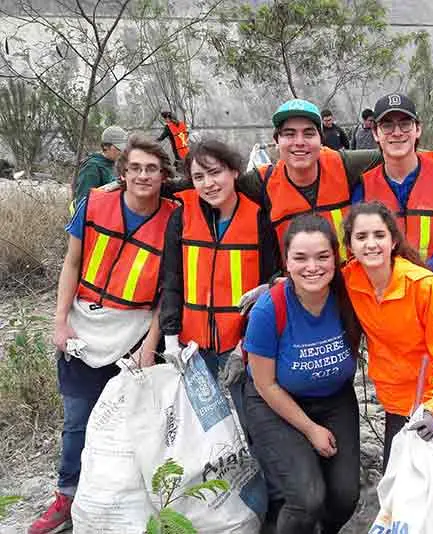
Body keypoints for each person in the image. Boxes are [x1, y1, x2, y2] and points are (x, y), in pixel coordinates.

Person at [29, 136, 175, 534]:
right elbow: (71, 263)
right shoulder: (95, 203)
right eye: (136, 168)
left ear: (164, 176)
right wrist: (60, 322)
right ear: (122, 173)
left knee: (134, 422)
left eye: (152, 169)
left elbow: (167, 292)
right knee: (77, 420)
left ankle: (128, 500)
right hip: (85, 324)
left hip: (135, 331)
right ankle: (68, 497)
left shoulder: (174, 217)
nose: (144, 175)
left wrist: (150, 344)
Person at [341, 201, 433, 533]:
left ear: (393, 240)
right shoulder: (350, 279)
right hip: (399, 397)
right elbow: (308, 278)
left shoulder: (423, 286)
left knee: (420, 473)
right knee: (401, 473)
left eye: (379, 235)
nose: (371, 244)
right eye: (361, 237)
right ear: (350, 246)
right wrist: (272, 289)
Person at [244, 215, 361, 533]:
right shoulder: (270, 309)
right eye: (300, 258)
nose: (313, 267)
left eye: (323, 257)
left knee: (345, 496)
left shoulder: (349, 295)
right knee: (306, 498)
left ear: (336, 259)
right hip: (275, 402)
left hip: (335, 398)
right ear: (286, 261)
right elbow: (265, 384)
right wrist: (311, 430)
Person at [159, 139, 282, 419]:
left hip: (241, 342)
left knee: (255, 418)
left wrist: (246, 344)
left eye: (215, 173)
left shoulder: (258, 218)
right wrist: (170, 339)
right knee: (203, 423)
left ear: (235, 172)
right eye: (199, 177)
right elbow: (171, 278)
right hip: (192, 343)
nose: (208, 184)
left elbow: (271, 280)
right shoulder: (182, 217)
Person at [236, 99, 381, 260]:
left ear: (321, 140)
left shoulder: (343, 164)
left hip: (347, 280)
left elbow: (391, 154)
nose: (299, 142)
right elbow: (220, 185)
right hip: (298, 282)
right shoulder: (262, 181)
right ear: (277, 141)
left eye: (309, 133)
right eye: (289, 134)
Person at [352, 93, 433, 290]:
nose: (397, 133)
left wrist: (416, 279)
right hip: (384, 295)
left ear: (418, 129)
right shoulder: (364, 188)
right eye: (387, 125)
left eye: (405, 124)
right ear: (376, 133)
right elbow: (357, 246)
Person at [70, 125, 128, 214]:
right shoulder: (92, 167)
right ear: (106, 147)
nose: (122, 151)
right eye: (118, 148)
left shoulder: (117, 163)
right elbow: (83, 202)